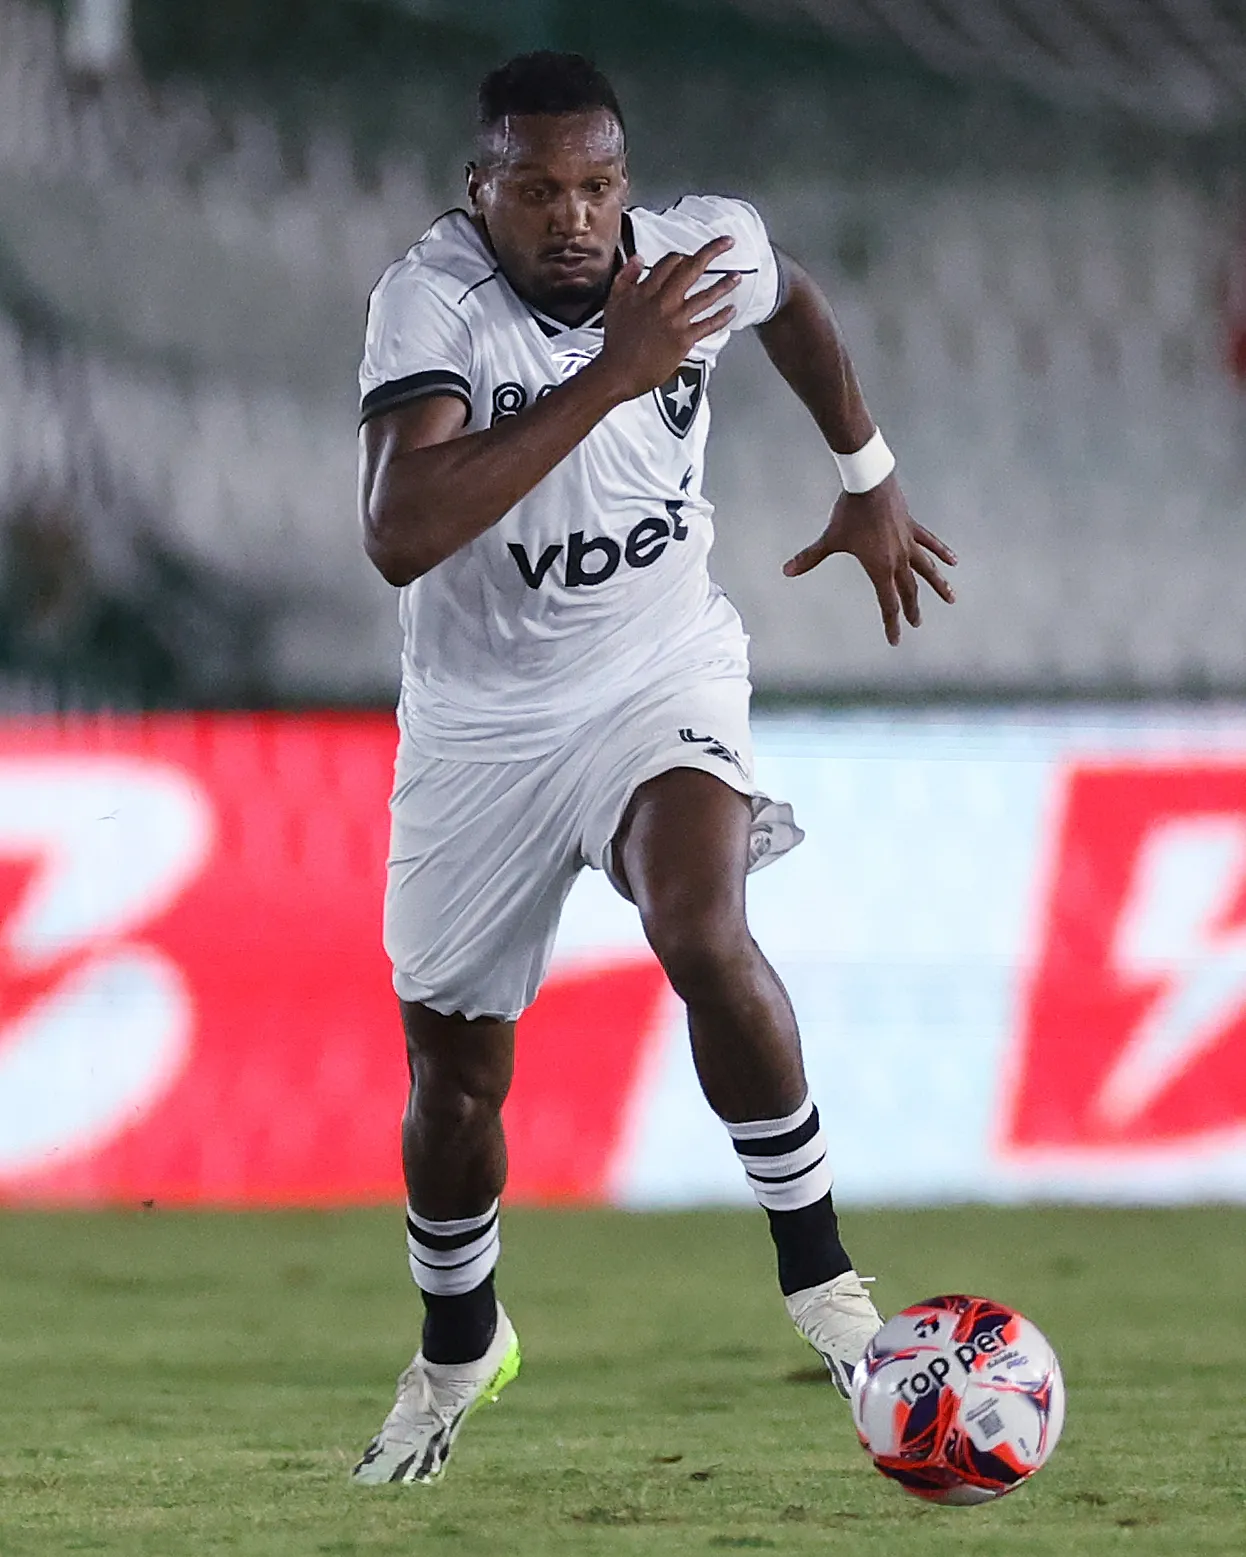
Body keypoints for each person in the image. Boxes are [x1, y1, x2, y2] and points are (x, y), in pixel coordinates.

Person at [351, 51, 956, 1486]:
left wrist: (865, 473)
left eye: (598, 185)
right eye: (540, 189)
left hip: (654, 671)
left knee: (697, 920)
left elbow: (793, 301)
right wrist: (614, 375)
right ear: (478, 192)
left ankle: (825, 1288)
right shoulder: (427, 302)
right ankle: (458, 1345)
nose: (575, 217)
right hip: (479, 725)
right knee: (453, 1075)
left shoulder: (700, 252)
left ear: (627, 181)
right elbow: (399, 527)